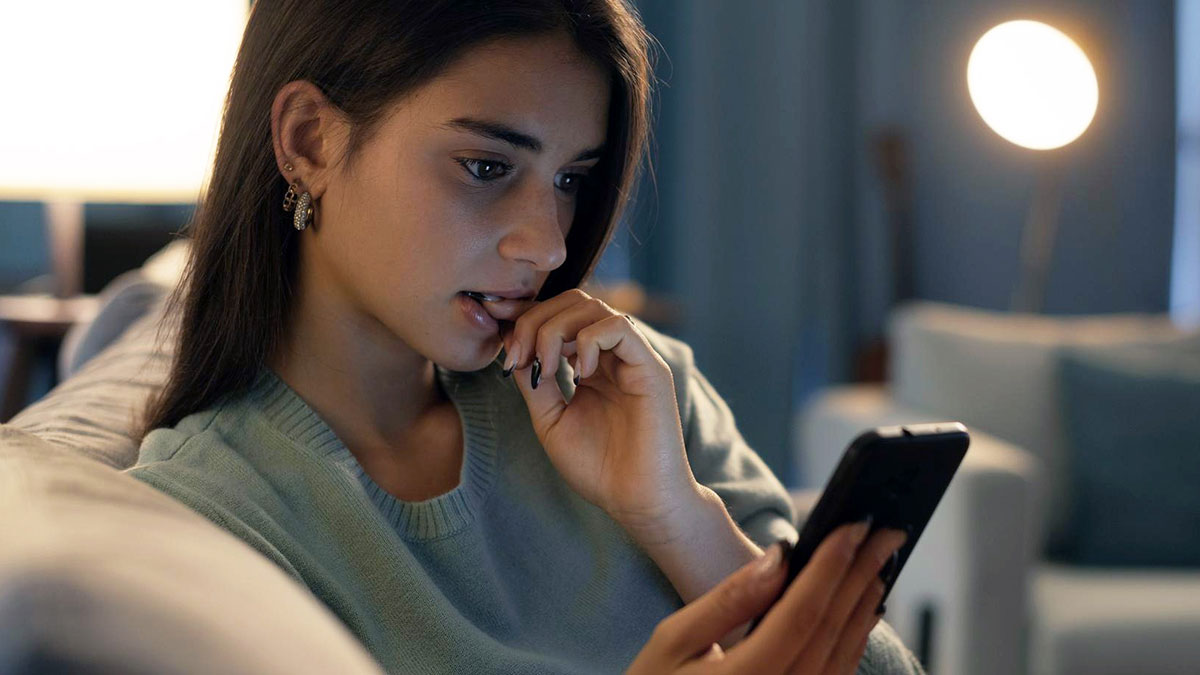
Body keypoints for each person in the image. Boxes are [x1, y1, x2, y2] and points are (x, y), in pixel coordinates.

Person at [124, 1, 925, 673]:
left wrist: (675, 516)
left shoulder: (642, 393)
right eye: (485, 167)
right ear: (309, 140)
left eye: (572, 180)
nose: (546, 245)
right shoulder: (211, 518)